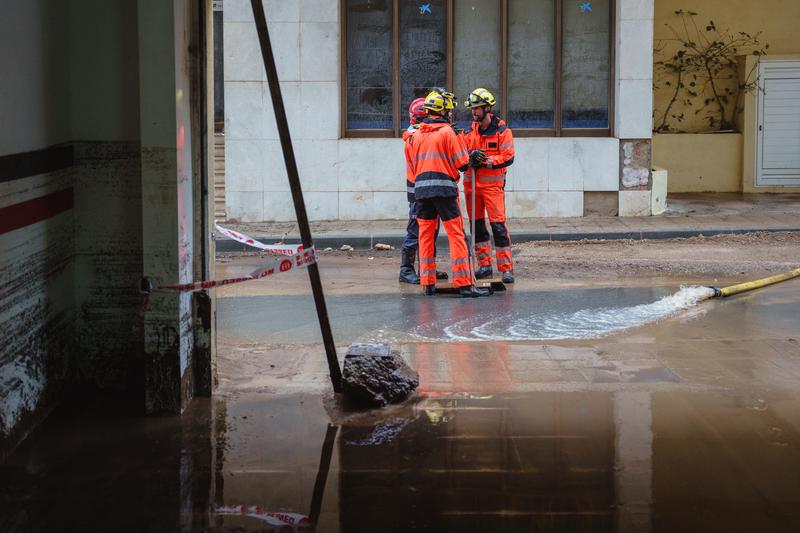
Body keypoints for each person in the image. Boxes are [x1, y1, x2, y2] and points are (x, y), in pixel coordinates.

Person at [408, 90, 491, 298]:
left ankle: (428, 284)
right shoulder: (447, 132)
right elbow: (462, 162)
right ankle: (465, 285)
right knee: (457, 235)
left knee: (426, 236)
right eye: (448, 109)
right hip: (444, 190)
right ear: (443, 111)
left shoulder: (416, 135)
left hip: (421, 192)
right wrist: (471, 155)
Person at [461, 88, 516, 284]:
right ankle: (484, 265)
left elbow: (508, 157)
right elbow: (459, 156)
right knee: (477, 228)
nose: (474, 112)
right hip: (471, 188)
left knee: (498, 227)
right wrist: (469, 159)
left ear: (487, 108)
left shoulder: (503, 131)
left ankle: (506, 268)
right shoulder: (468, 132)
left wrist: (485, 161)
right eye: (472, 109)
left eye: (477, 108)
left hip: (492, 188)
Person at [399, 98, 448, 284]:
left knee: (429, 232)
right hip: (419, 192)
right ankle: (406, 270)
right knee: (415, 232)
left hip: (426, 190)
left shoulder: (420, 134)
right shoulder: (415, 136)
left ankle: (428, 269)